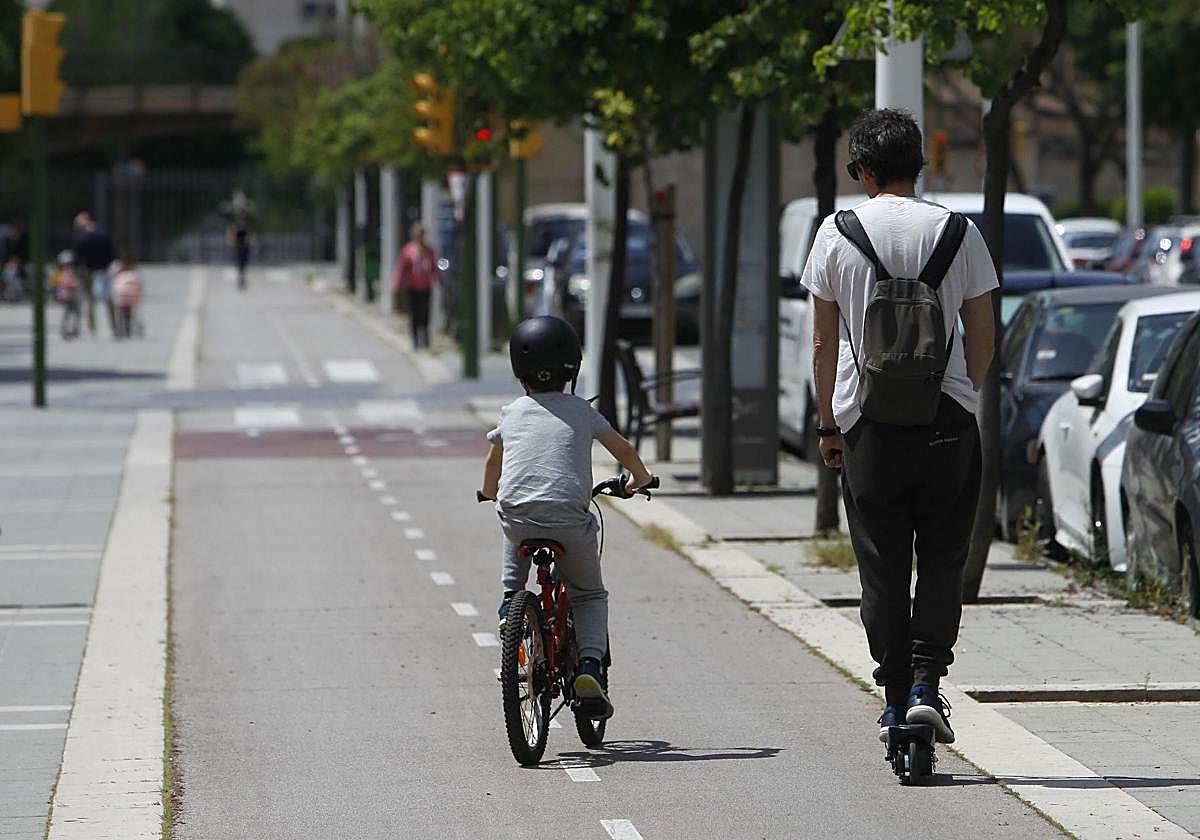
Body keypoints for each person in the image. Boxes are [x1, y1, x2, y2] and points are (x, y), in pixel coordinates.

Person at [801, 108, 996, 746]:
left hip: (868, 422)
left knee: (882, 564)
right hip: (947, 420)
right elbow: (984, 334)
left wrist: (828, 426)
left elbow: (823, 345)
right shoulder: (960, 232)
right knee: (942, 557)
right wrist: (962, 393)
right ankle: (926, 686)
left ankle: (892, 696)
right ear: (921, 165)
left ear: (861, 170)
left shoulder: (836, 234)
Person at [481, 316, 652, 720]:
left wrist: (491, 493)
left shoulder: (512, 413)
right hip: (570, 520)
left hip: (519, 515)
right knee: (589, 594)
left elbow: (493, 463)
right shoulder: (581, 411)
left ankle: (511, 601)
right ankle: (589, 665)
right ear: (572, 369)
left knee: (512, 518)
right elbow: (624, 451)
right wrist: (639, 479)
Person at [392, 222, 437, 349]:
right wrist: (396, 284)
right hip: (412, 287)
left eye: (422, 234)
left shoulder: (429, 250)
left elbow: (434, 266)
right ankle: (415, 339)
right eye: (418, 234)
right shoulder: (408, 250)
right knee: (414, 313)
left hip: (426, 287)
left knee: (425, 313)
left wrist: (438, 277)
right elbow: (401, 268)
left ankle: (426, 337)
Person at [71, 212, 116, 337]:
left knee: (89, 300)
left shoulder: (80, 237)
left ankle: (92, 329)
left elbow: (76, 256)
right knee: (108, 299)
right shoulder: (102, 232)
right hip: (103, 269)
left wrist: (75, 271)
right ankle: (114, 327)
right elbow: (110, 250)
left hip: (87, 271)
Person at [112, 255, 143, 339]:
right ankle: (127, 329)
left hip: (121, 296)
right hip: (131, 297)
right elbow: (139, 286)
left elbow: (115, 286)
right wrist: (138, 297)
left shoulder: (119, 273)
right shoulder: (134, 274)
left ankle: (119, 329)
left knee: (119, 314)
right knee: (128, 314)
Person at [53, 250, 82, 339]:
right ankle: (65, 330)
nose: (69, 265)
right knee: (68, 313)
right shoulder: (62, 273)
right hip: (67, 296)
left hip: (73, 296)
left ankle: (74, 330)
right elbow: (64, 283)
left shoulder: (71, 272)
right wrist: (75, 285)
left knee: (75, 313)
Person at [227, 207, 254, 290]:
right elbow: (232, 232)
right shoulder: (236, 223)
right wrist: (232, 240)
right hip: (239, 245)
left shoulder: (248, 223)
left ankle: (243, 278)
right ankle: (240, 278)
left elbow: (250, 233)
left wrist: (249, 240)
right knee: (239, 262)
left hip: (246, 245)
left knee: (244, 262)